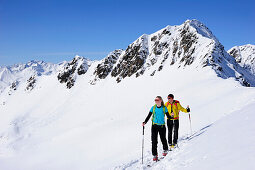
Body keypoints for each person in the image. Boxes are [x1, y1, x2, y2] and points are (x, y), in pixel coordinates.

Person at [142, 96, 172, 161]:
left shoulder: (164, 108)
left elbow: (168, 116)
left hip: (162, 126)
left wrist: (171, 116)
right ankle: (155, 155)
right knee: (154, 141)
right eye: (155, 100)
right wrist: (145, 122)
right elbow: (149, 116)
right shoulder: (153, 108)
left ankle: (165, 150)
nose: (156, 101)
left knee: (163, 139)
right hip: (154, 126)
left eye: (157, 100)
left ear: (160, 100)